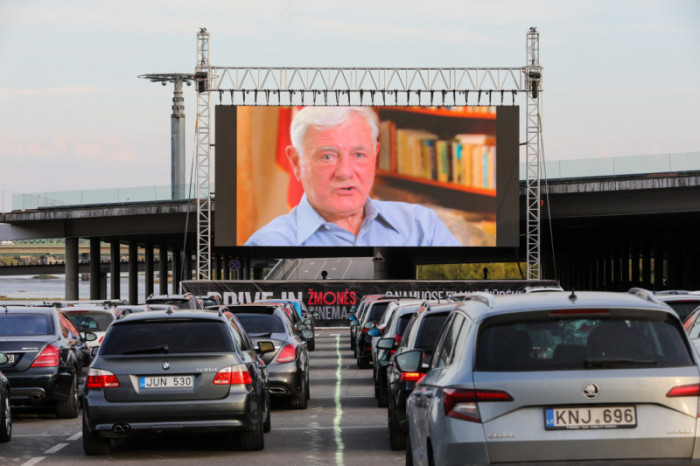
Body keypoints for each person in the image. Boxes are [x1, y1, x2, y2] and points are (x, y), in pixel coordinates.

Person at [244, 106, 461, 247]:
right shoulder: (268, 245)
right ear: (296, 162)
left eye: (359, 154)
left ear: (374, 156)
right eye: (327, 156)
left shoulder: (422, 227)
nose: (345, 172)